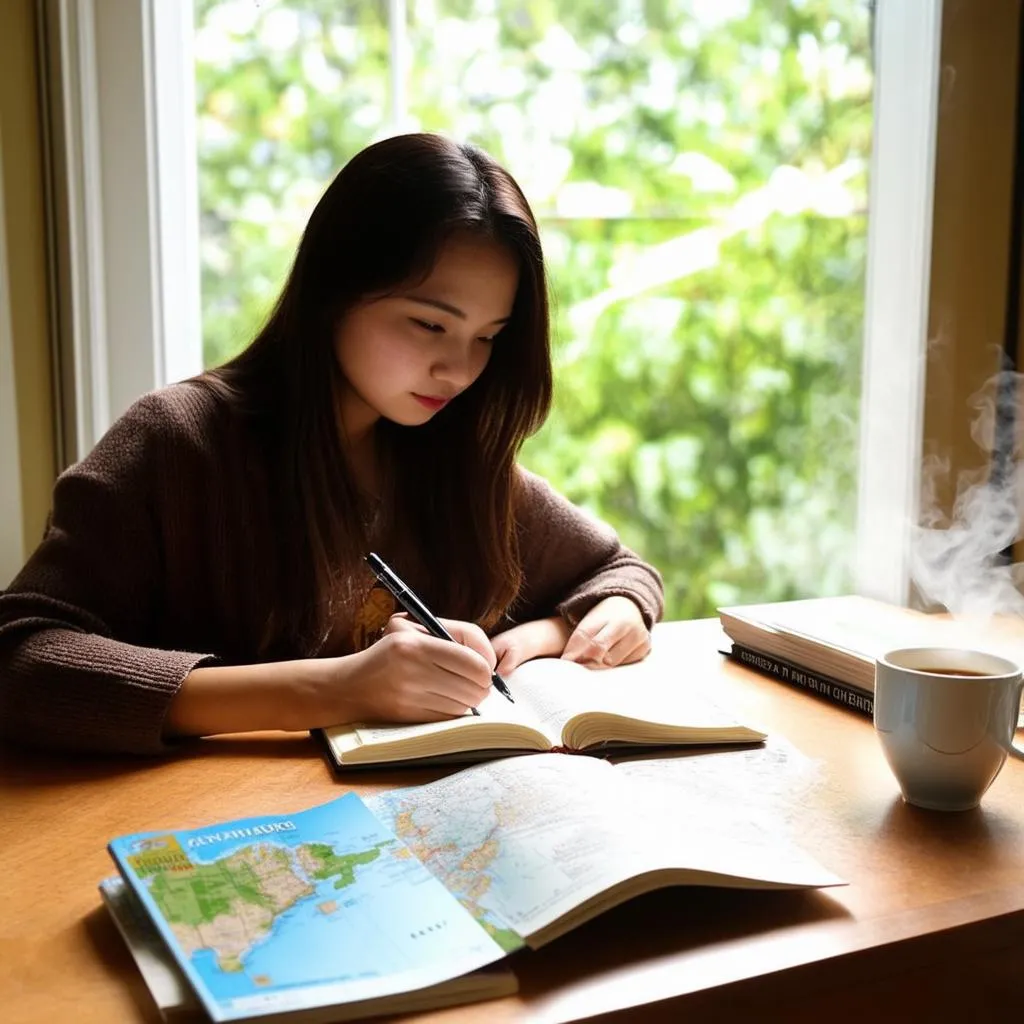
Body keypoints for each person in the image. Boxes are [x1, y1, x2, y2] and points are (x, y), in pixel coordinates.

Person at [0, 133, 664, 756]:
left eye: (488, 336)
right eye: (430, 324)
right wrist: (335, 688)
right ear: (333, 290)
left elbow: (621, 572)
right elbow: (19, 657)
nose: (460, 369)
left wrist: (554, 633)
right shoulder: (178, 445)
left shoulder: (448, 458)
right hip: (211, 836)